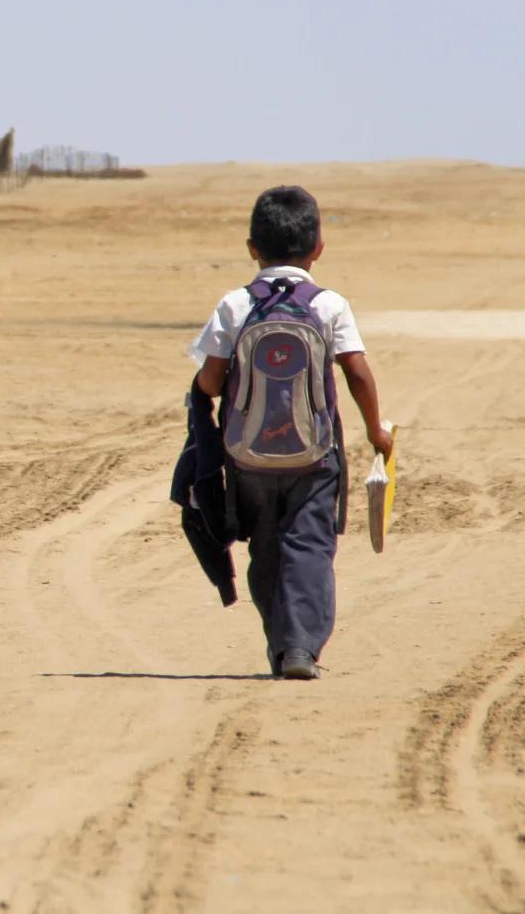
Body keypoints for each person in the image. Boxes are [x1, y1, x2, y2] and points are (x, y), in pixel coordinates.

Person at [190, 186, 393, 680]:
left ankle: (282, 643)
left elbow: (211, 381)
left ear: (251, 248)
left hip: (247, 456)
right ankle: (300, 647)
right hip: (314, 454)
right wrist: (375, 431)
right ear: (318, 247)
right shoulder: (329, 305)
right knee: (310, 546)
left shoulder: (235, 304)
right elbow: (357, 372)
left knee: (265, 546)